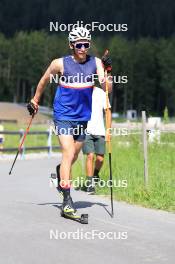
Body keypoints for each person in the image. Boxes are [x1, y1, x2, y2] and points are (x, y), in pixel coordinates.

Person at [27, 27, 112, 215]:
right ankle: (67, 199)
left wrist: (107, 72)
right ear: (71, 45)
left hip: (83, 117)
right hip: (63, 115)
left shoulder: (95, 62)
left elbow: (108, 88)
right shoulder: (60, 64)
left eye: (86, 44)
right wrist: (35, 99)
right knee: (68, 153)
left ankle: (60, 172)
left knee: (73, 156)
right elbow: (43, 80)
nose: (83, 48)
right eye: (79, 45)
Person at [82, 86, 112, 194]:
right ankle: (90, 184)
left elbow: (108, 112)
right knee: (90, 156)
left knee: (100, 159)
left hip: (100, 130)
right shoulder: (81, 92)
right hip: (86, 130)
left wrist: (108, 130)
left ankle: (95, 174)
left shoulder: (102, 93)